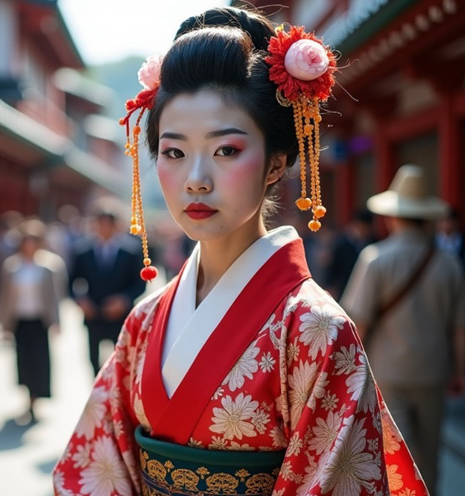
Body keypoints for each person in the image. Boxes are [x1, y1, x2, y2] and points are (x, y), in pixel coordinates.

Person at [53, 7, 427, 495]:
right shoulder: (143, 323)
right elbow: (93, 470)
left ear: (276, 162)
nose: (196, 179)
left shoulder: (316, 330)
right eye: (174, 152)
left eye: (226, 149)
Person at [341, 164, 465, 495]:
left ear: (392, 216)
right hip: (433, 371)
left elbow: (359, 323)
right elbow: (460, 328)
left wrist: (350, 374)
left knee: (396, 456)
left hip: (388, 373)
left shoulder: (375, 259)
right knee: (428, 454)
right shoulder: (449, 264)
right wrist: (459, 371)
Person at [0, 219, 67, 423]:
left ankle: (37, 398)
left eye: (33, 240)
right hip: (20, 319)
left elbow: (56, 296)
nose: (29, 245)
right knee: (23, 360)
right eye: (25, 240)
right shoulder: (12, 266)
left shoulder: (50, 265)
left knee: (40, 360)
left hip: (39, 320)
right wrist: (3, 323)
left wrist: (57, 321)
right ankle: (28, 397)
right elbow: (4, 297)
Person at [69, 200, 147, 376]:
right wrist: (80, 300)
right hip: (92, 313)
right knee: (92, 359)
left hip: (119, 314)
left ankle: (117, 393)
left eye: (107, 224)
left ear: (116, 226)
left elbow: (140, 284)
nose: (103, 228)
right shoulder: (82, 251)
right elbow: (71, 281)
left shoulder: (131, 250)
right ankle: (98, 392)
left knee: (121, 357)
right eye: (99, 224)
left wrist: (124, 300)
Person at [326, 209, 375, 299]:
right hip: (346, 288)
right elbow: (334, 267)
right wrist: (331, 286)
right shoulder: (343, 244)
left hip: (368, 289)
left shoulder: (375, 243)